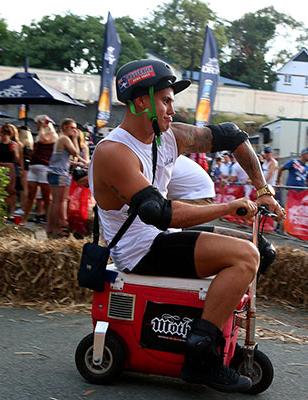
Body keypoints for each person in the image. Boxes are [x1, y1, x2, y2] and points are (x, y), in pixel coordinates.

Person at [89, 59, 284, 393]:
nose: (172, 109)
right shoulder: (114, 152)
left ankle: (208, 331)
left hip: (163, 238)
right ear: (140, 101)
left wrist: (263, 189)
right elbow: (158, 212)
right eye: (166, 100)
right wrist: (227, 208)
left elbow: (232, 136)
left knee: (263, 252)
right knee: (245, 257)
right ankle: (200, 356)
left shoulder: (170, 136)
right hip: (140, 250)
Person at [20, 115, 58, 226]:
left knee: (46, 197)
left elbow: (44, 140)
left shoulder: (52, 135)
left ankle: (49, 221)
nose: (36, 126)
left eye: (37, 123)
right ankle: (25, 219)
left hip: (44, 167)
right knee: (31, 195)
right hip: (34, 166)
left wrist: (42, 128)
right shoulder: (40, 136)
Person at [46, 118, 80, 238]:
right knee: (57, 202)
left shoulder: (61, 138)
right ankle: (55, 229)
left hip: (58, 172)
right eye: (73, 128)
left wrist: (77, 163)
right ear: (66, 127)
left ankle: (51, 227)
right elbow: (75, 153)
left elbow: (65, 159)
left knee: (55, 202)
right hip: (58, 173)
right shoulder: (64, 138)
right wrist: (75, 139)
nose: (75, 131)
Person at [0, 123, 22, 219]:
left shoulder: (14, 144)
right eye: (3, 132)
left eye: (6, 132)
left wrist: (16, 152)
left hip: (9, 167)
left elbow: (17, 160)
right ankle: (0, 212)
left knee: (10, 191)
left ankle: (11, 212)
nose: (4, 134)